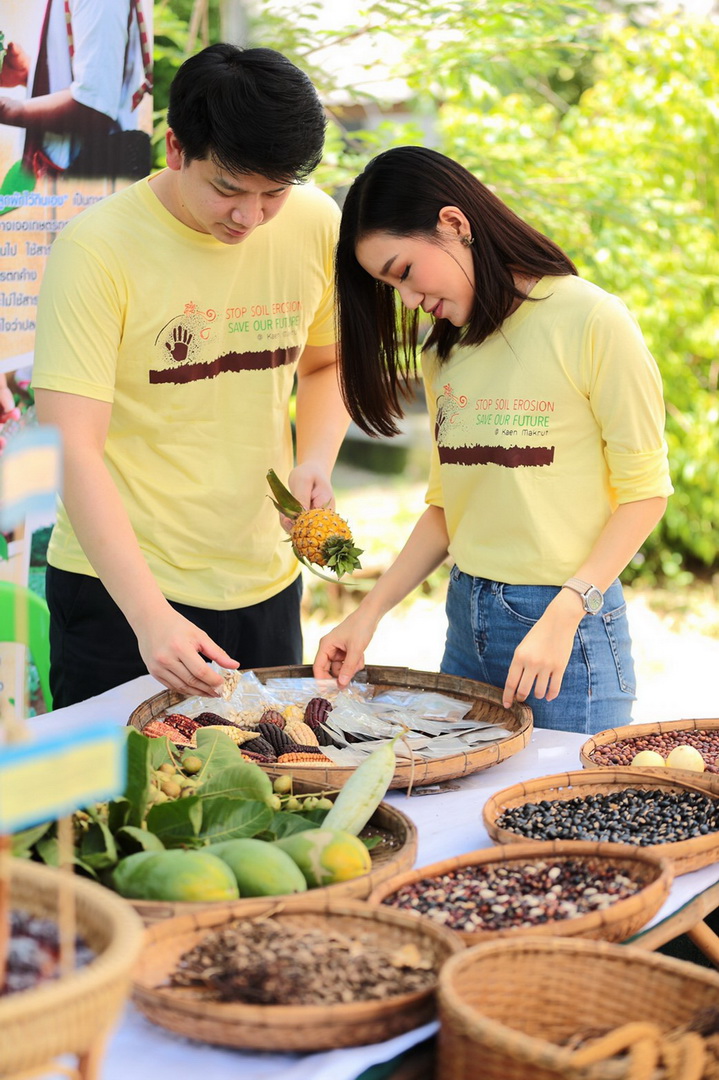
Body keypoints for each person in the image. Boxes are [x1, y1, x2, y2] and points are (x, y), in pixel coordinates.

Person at [313, 145, 672, 735]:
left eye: (404, 272)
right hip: (466, 616)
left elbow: (646, 493)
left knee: (567, 815)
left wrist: (563, 615)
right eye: (388, 286)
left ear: (454, 224)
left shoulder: (590, 320)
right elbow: (449, 506)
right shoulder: (443, 352)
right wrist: (367, 615)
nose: (406, 300)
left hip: (566, 626)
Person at [32, 43, 348, 708]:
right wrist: (148, 616)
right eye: (228, 190)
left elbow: (327, 361)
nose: (250, 218)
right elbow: (71, 447)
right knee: (122, 810)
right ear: (175, 149)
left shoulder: (317, 222)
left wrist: (315, 457)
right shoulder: (96, 251)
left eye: (272, 195)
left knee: (266, 798)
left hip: (263, 582)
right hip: (120, 593)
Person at [0, 0, 152, 181]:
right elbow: (96, 83)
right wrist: (30, 76)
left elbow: (93, 108)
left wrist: (6, 110)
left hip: (87, 185)